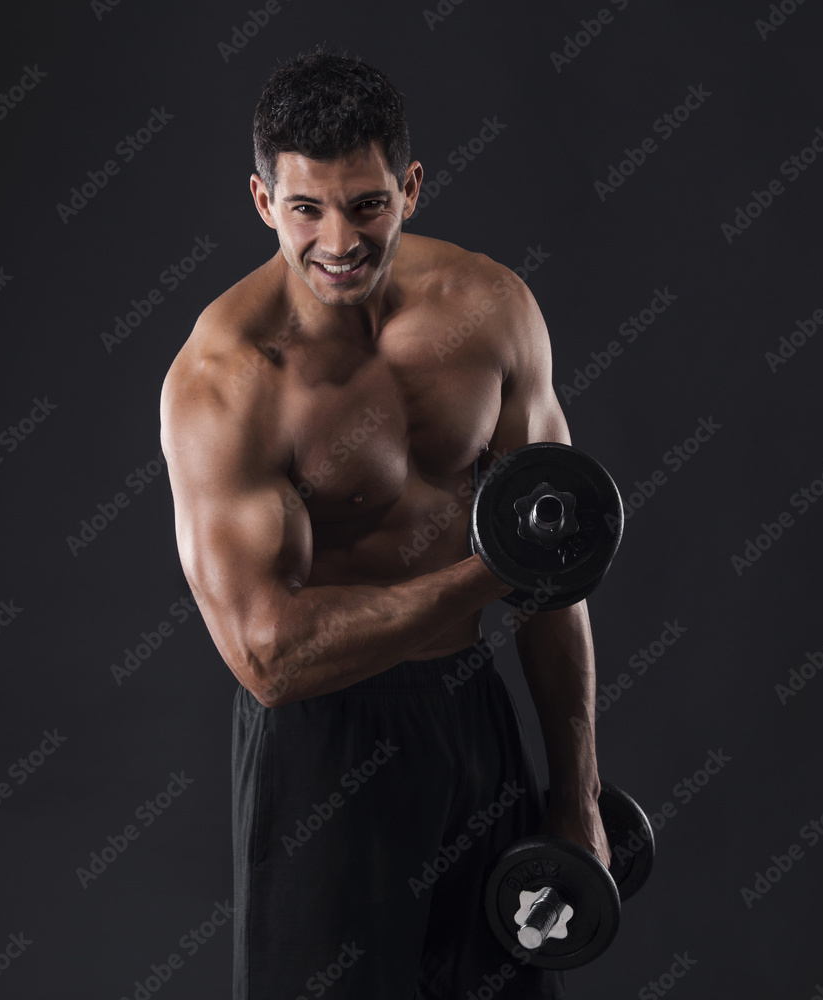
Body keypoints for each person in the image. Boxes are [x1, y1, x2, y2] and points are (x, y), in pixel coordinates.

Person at [160, 49, 611, 1000]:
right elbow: (268, 657)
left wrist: (576, 795)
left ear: (408, 187)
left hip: (471, 718)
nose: (339, 241)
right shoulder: (228, 379)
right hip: (322, 748)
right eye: (305, 209)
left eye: (366, 205)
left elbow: (554, 577)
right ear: (261, 201)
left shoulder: (492, 311)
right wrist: (498, 570)